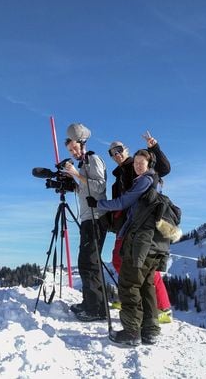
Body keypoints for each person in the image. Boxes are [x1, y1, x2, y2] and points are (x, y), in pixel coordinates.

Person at [87, 149, 169, 346]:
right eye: (136, 163)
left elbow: (124, 202)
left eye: (141, 163)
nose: (138, 166)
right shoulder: (153, 182)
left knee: (129, 283)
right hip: (154, 243)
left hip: (141, 240)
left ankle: (132, 332)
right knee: (146, 284)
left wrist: (99, 204)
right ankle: (150, 330)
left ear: (148, 164)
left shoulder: (144, 181)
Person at [107, 132, 174, 324]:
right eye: (112, 152)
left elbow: (164, 168)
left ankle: (163, 307)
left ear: (126, 150)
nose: (116, 154)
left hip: (141, 225)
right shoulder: (119, 175)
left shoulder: (137, 166)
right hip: (126, 225)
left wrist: (155, 147)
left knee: (146, 267)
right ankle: (129, 297)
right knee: (119, 261)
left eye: (119, 149)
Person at [62, 132, 109, 322]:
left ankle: (97, 309)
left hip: (97, 218)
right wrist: (73, 182)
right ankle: (90, 303)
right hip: (88, 218)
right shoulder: (83, 165)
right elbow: (86, 189)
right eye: (70, 150)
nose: (73, 152)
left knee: (90, 264)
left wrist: (75, 174)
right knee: (86, 262)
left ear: (83, 144)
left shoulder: (93, 159)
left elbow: (99, 186)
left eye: (75, 148)